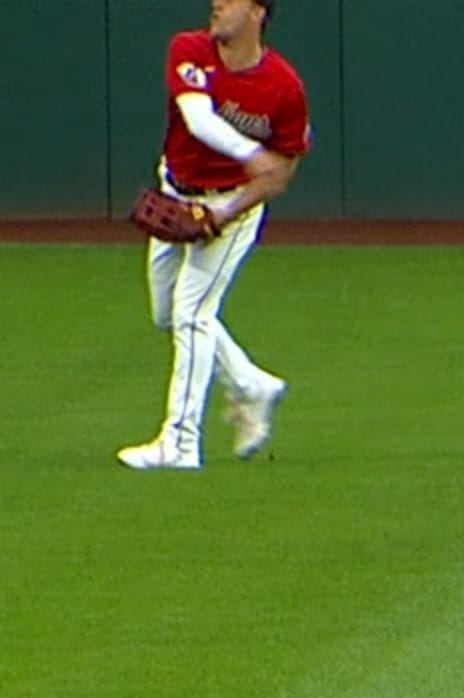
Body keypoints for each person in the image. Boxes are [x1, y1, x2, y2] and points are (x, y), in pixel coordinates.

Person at [118, 0, 308, 471]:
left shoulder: (284, 88)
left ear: (258, 12)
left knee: (191, 314)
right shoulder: (189, 48)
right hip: (177, 196)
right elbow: (197, 119)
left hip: (233, 207)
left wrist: (223, 212)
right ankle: (249, 384)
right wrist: (249, 151)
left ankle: (179, 443)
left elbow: (279, 174)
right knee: (167, 314)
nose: (217, 4)